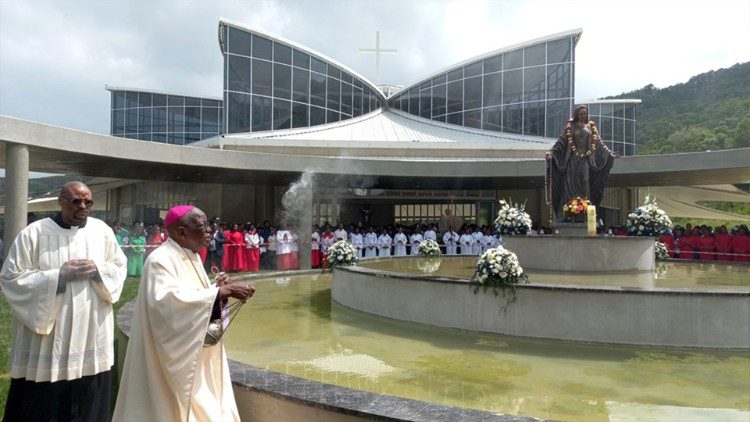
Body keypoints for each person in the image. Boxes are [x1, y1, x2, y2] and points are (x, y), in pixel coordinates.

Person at [113, 205, 254, 422]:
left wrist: (216, 291)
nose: (209, 230)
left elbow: (191, 295)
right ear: (181, 232)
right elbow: (168, 304)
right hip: (172, 355)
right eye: (202, 226)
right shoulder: (160, 259)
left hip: (194, 348)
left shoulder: (191, 255)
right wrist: (219, 293)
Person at [0, 181, 127, 420]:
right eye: (76, 201)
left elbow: (119, 266)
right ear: (61, 201)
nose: (83, 206)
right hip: (49, 338)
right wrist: (58, 275)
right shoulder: (34, 233)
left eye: (88, 201)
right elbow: (10, 278)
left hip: (90, 331)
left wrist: (98, 269)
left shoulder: (102, 231)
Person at [546, 105, 619, 221]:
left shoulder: (590, 127)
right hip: (572, 160)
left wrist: (609, 153)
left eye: (585, 113)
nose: (583, 115)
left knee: (585, 180)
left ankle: (586, 211)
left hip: (585, 159)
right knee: (569, 183)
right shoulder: (570, 127)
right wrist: (552, 153)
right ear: (576, 115)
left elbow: (599, 143)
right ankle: (568, 212)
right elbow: (561, 142)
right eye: (581, 114)